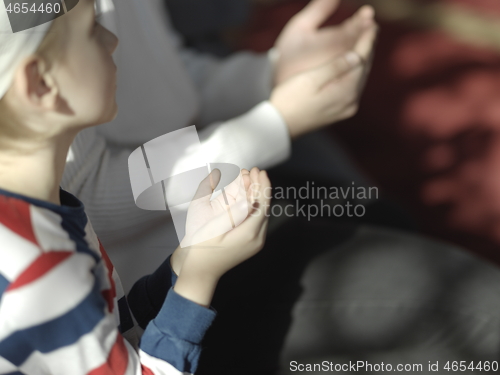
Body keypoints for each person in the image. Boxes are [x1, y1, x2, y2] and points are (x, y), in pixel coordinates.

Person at [0, 1, 272, 373]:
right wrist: (200, 276)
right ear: (41, 84)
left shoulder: (46, 213)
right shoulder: (43, 265)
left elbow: (112, 327)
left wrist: (188, 256)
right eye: (92, 30)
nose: (112, 40)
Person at [61, 0, 378, 291]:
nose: (110, 41)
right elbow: (85, 198)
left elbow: (168, 80)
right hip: (155, 281)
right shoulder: (25, 17)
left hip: (215, 208)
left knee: (381, 215)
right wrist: (278, 123)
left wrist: (271, 72)